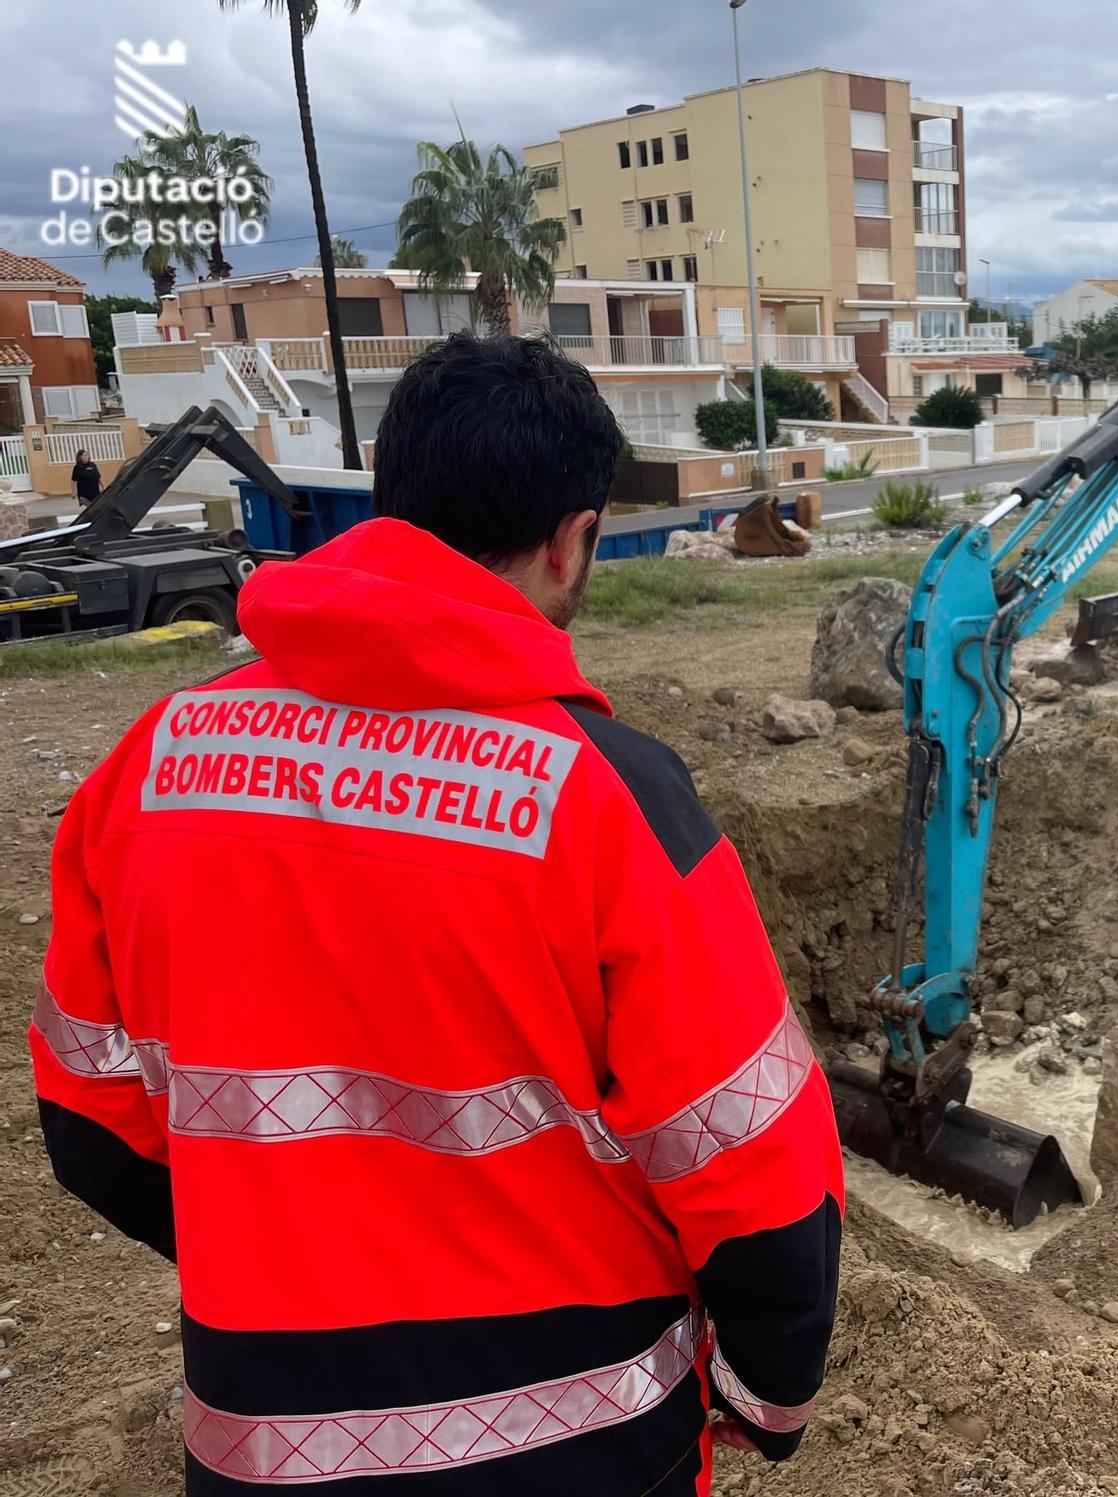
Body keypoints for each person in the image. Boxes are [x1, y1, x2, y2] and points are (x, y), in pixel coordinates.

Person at [28, 332, 844, 1496]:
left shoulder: (150, 765)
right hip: (581, 1453)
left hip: (261, 1451)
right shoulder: (606, 800)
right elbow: (757, 1173)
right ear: (571, 541)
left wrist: (268, 1255)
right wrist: (769, 1403)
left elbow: (85, 1114)